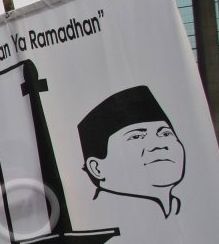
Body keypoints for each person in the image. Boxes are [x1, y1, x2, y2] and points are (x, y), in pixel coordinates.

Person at [78, 85, 186, 218]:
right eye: (136, 136)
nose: (158, 145)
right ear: (97, 168)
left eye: (165, 133)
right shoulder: (96, 219)